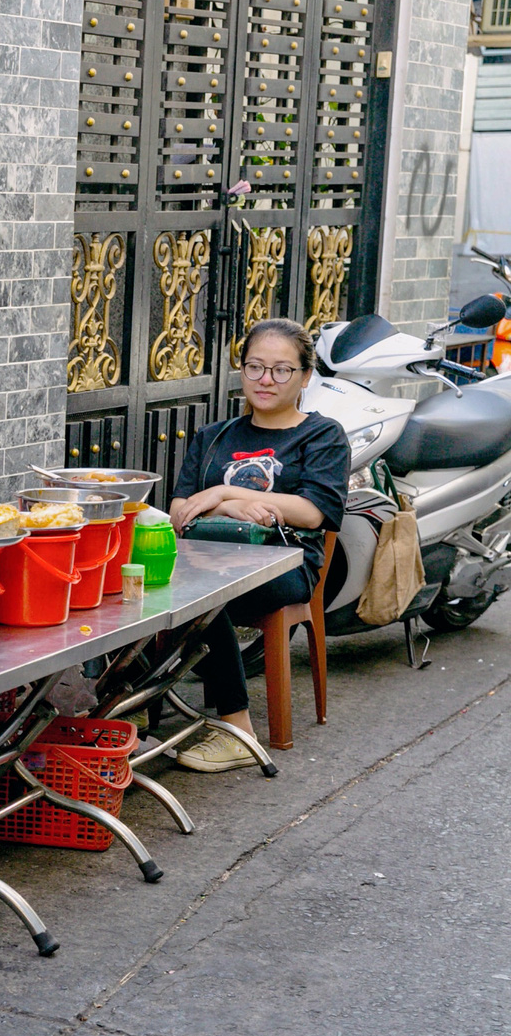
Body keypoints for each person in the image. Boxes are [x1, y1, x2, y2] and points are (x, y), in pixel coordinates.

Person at [168, 318, 349, 771]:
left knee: (204, 592)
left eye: (281, 370)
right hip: (207, 555)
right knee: (136, 581)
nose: (266, 379)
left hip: (284, 565)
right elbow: (179, 512)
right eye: (255, 366)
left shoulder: (322, 435)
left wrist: (223, 492)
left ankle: (238, 732)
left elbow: (313, 512)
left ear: (305, 377)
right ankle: (127, 709)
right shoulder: (214, 436)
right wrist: (230, 507)